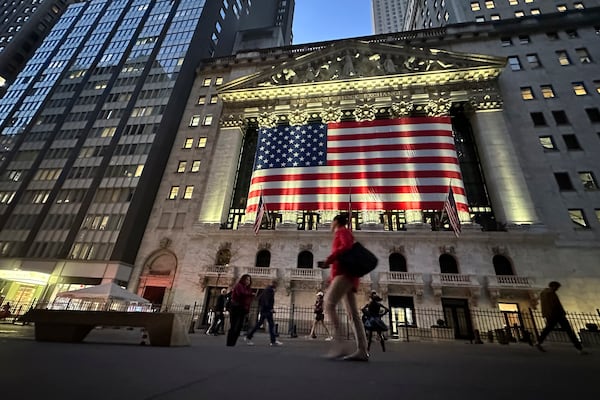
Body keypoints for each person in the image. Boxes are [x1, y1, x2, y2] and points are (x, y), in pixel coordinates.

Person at [319, 213, 369, 361]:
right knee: (353, 313)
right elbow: (342, 256)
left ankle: (340, 343)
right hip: (345, 276)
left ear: (336, 222)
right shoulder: (344, 232)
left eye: (331, 221)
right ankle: (362, 350)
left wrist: (329, 259)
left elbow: (346, 247)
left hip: (345, 275)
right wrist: (331, 277)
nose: (330, 224)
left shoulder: (342, 232)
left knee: (328, 304)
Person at [535, 281, 587, 354]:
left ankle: (538, 342)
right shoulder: (551, 294)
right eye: (557, 287)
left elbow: (545, 306)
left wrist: (546, 314)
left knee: (547, 329)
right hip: (557, 315)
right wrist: (561, 313)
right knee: (569, 331)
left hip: (550, 315)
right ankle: (579, 348)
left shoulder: (543, 293)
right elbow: (555, 305)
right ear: (553, 286)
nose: (557, 289)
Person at [245, 279, 283, 347]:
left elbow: (260, 298)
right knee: (268, 325)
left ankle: (249, 336)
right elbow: (267, 300)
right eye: (276, 285)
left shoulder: (266, 289)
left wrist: (262, 307)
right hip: (267, 310)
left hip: (264, 309)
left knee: (263, 324)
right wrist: (270, 309)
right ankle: (272, 341)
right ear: (275, 285)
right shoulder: (270, 291)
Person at [226, 274, 254, 347]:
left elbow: (248, 302)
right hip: (235, 307)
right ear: (243, 279)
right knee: (234, 325)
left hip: (243, 309)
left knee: (239, 327)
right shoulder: (239, 286)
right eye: (247, 279)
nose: (248, 281)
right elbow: (240, 294)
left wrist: (247, 310)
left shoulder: (248, 289)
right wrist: (250, 294)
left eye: (249, 280)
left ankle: (233, 342)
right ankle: (229, 343)